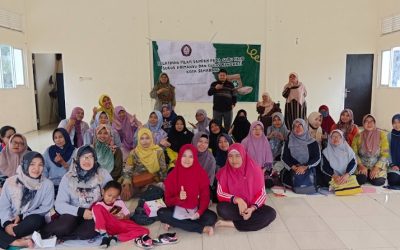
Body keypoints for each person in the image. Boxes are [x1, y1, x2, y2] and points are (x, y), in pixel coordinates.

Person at [40, 145, 113, 240]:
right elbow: (59, 204)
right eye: (83, 157)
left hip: (93, 214)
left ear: (95, 159)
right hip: (73, 212)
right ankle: (46, 231)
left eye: (90, 157)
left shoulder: (102, 174)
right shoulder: (68, 177)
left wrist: (117, 210)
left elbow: (113, 193)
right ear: (77, 159)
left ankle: (67, 235)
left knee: (88, 233)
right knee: (64, 227)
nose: (87, 160)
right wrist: (80, 212)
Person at [157, 144, 217, 235]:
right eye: (184, 156)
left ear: (195, 158)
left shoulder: (201, 174)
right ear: (180, 156)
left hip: (195, 209)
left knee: (212, 218)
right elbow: (168, 201)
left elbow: (205, 197)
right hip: (177, 208)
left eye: (190, 156)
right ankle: (202, 229)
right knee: (161, 213)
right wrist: (178, 198)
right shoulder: (172, 176)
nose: (187, 160)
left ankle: (176, 223)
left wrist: (199, 213)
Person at [215, 143, 276, 231]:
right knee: (222, 209)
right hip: (235, 206)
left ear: (243, 155)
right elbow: (220, 193)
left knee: (271, 213)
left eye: (237, 156)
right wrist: (238, 200)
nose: (234, 160)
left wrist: (252, 208)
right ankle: (252, 221)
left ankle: (233, 224)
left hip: (252, 206)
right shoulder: (224, 172)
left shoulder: (255, 170)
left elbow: (262, 194)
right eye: (230, 156)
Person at [0, 152, 54, 249]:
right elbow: (4, 206)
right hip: (9, 218)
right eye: (32, 164)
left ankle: (5, 237)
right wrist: (7, 224)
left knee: (36, 220)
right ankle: (17, 242)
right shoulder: (10, 182)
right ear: (25, 164)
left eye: (40, 165)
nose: (36, 168)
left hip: (28, 219)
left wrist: (21, 216)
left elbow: (45, 207)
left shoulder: (47, 184)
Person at [91, 180, 152, 248]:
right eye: (109, 195)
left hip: (120, 224)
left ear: (118, 196)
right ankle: (104, 236)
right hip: (108, 226)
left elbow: (128, 216)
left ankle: (116, 237)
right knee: (96, 207)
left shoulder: (119, 202)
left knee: (145, 230)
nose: (111, 199)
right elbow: (97, 220)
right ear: (103, 192)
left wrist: (123, 217)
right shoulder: (99, 205)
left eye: (114, 197)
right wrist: (108, 214)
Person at [120, 128, 167, 201]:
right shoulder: (134, 152)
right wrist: (126, 183)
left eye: (147, 138)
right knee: (124, 195)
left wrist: (163, 181)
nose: (144, 141)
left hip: (153, 180)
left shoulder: (158, 151)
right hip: (137, 181)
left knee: (159, 191)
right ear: (139, 139)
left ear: (151, 138)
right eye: (142, 138)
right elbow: (127, 170)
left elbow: (163, 170)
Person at [281, 119, 321, 190]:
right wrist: (293, 167)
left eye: (300, 125)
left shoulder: (313, 142)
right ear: (292, 129)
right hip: (293, 169)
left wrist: (305, 167)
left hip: (309, 169)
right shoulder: (289, 142)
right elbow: (284, 157)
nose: (297, 128)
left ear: (305, 127)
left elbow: (317, 158)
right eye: (295, 126)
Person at [352, 114, 389, 186]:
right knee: (360, 180)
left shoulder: (382, 135)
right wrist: (360, 165)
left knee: (378, 181)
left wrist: (376, 168)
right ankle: (367, 176)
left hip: (377, 164)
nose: (369, 124)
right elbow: (354, 153)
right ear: (363, 123)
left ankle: (370, 175)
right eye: (366, 121)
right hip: (362, 164)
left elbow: (385, 153)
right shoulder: (358, 136)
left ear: (375, 123)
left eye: (371, 121)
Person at [43, 128, 77, 194]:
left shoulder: (74, 151)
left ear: (66, 137)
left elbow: (76, 172)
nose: (58, 140)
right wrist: (45, 184)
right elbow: (44, 168)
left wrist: (63, 163)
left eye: (61, 137)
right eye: (55, 138)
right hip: (51, 185)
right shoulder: (49, 150)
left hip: (68, 185)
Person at [241, 121, 274, 187]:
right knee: (247, 182)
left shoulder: (265, 141)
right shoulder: (245, 142)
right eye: (255, 129)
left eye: (260, 129)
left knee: (269, 183)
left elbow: (269, 157)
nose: (257, 131)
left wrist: (263, 171)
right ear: (251, 129)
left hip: (262, 170)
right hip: (249, 170)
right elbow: (241, 158)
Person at [388, 114, 400, 187]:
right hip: (393, 165)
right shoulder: (389, 135)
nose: (397, 125)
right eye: (394, 123)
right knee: (393, 180)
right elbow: (387, 152)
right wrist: (392, 164)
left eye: (399, 122)